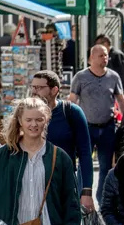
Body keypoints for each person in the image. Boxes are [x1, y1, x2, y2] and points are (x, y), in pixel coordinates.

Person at [0, 97, 82, 225]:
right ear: (19, 121)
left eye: (39, 119)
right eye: (28, 120)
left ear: (47, 121)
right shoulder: (4, 156)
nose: (33, 125)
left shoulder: (59, 158)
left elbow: (70, 201)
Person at [31, 70, 96, 212]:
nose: (34, 92)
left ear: (54, 90)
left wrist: (86, 191)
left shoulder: (72, 112)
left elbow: (85, 154)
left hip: (63, 185)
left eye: (39, 88)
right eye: (33, 87)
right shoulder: (25, 114)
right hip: (31, 184)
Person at [70, 45, 124, 202]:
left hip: (107, 126)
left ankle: (102, 200)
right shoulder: (81, 77)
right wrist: (70, 121)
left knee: (106, 166)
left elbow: (121, 100)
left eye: (106, 55)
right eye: (101, 55)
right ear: (91, 58)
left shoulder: (113, 77)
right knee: (84, 164)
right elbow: (73, 100)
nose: (105, 58)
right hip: (86, 127)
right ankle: (82, 198)